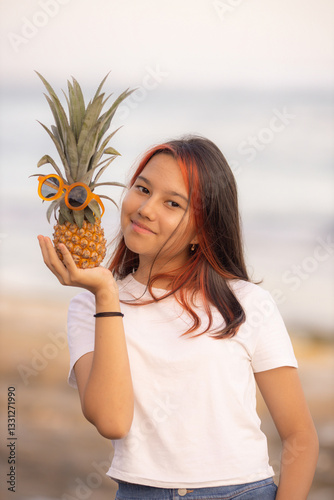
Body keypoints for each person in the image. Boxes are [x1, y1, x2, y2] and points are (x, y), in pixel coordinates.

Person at [38, 136, 319, 500]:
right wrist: (106, 294)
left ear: (203, 231)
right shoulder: (88, 306)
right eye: (142, 189)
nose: (146, 208)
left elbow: (300, 436)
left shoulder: (247, 304)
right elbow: (112, 420)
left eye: (172, 203)